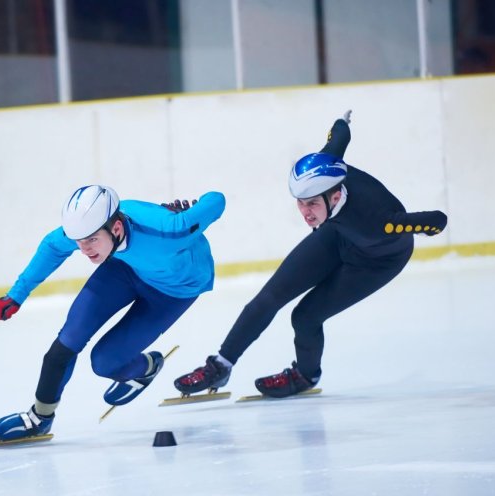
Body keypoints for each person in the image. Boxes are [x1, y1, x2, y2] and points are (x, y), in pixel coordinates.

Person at [174, 111, 447, 399]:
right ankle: (222, 364)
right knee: (268, 298)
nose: (305, 213)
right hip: (338, 236)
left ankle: (305, 375)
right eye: (300, 203)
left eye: (312, 204)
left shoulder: (379, 222)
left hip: (376, 262)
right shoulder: (328, 168)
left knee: (305, 316)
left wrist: (424, 228)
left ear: (336, 196)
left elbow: (437, 219)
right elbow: (338, 138)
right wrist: (343, 121)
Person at [0, 185, 226, 441]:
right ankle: (40, 417)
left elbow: (217, 200)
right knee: (68, 340)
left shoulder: (169, 230)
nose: (85, 249)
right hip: (125, 268)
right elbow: (52, 246)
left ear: (115, 228)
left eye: (92, 240)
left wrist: (193, 211)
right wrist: (16, 295)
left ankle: (147, 367)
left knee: (104, 363)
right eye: (79, 242)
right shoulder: (91, 226)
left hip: (174, 290)